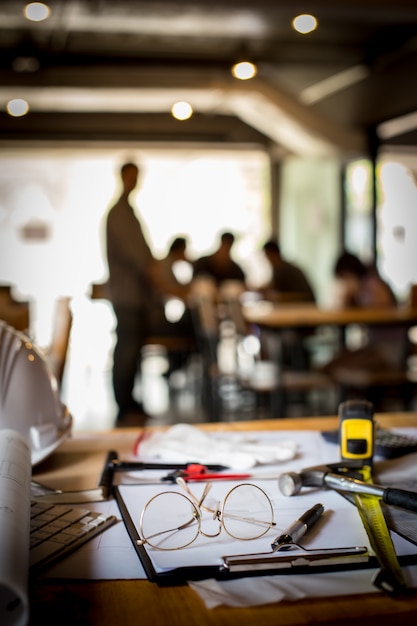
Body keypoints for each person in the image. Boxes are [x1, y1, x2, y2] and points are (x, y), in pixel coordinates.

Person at [105, 161, 157, 426]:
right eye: (130, 176)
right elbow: (139, 258)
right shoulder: (119, 213)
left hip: (134, 295)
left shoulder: (128, 211)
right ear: (122, 177)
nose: (134, 181)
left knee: (132, 351)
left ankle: (131, 403)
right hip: (127, 295)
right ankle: (124, 407)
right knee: (126, 351)